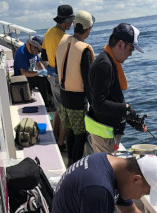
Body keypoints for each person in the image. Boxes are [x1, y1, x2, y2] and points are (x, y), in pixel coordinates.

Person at [87, 23, 148, 153]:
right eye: (131, 49)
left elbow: (112, 99)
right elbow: (98, 104)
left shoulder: (109, 61)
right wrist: (125, 108)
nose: (130, 54)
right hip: (105, 135)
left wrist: (131, 119)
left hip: (108, 132)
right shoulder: (104, 65)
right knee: (106, 165)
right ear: (120, 44)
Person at [55, 10, 95, 166]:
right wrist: (95, 106)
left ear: (74, 24)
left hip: (63, 96)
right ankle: (75, 167)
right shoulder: (84, 50)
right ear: (88, 29)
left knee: (70, 131)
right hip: (77, 100)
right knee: (80, 135)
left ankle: (70, 162)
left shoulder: (63, 41)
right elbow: (88, 83)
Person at [41, 5, 75, 150]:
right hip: (60, 76)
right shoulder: (64, 38)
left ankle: (55, 136)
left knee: (59, 108)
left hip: (51, 74)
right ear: (65, 21)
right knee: (65, 112)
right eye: (71, 21)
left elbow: (43, 55)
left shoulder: (49, 32)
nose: (71, 24)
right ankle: (61, 143)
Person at [13, 35, 52, 109]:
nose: (38, 53)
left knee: (47, 79)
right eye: (38, 51)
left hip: (30, 75)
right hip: (22, 80)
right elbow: (23, 72)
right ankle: (46, 105)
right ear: (33, 46)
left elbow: (38, 63)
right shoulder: (21, 53)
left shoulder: (34, 51)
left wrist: (46, 73)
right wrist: (38, 73)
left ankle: (50, 100)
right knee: (41, 81)